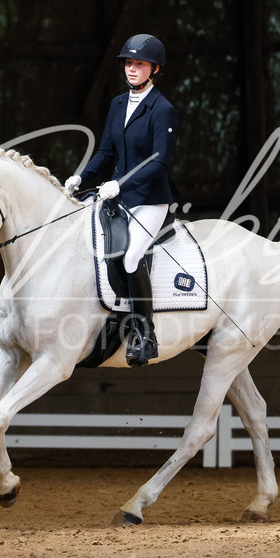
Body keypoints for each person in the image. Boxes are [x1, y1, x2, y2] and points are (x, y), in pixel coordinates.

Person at [65, 33, 177, 367]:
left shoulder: (163, 109)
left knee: (130, 258)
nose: (131, 69)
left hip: (149, 200)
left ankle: (145, 333)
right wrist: (80, 178)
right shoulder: (117, 104)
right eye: (128, 63)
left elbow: (160, 162)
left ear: (154, 69)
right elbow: (105, 152)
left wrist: (120, 183)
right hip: (118, 196)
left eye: (139, 64)